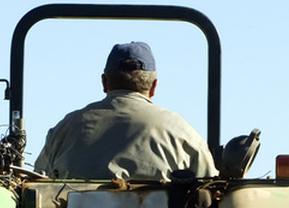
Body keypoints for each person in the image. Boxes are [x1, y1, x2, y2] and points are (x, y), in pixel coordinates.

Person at [34, 42, 217, 180]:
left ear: (104, 82)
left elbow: (38, 183)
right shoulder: (181, 131)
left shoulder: (65, 129)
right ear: (154, 86)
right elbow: (210, 186)